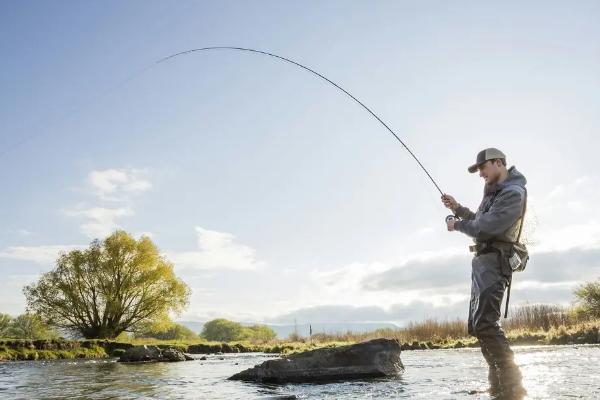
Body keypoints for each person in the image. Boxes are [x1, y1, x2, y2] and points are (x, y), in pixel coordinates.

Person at [442, 148, 527, 399]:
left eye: (483, 167)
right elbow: (479, 219)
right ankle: (499, 387)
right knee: (480, 326)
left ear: (499, 163)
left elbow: (486, 227)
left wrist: (456, 225)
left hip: (494, 262)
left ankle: (513, 389)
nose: (480, 173)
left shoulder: (513, 193)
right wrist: (457, 208)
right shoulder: (495, 193)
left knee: (487, 325)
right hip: (483, 264)